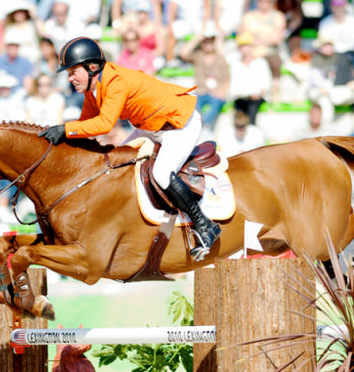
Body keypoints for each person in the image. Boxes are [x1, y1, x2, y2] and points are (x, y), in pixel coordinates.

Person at [39, 37, 220, 261]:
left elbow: (104, 125)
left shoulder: (115, 81)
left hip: (179, 125)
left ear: (92, 67)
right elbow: (84, 125)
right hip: (150, 128)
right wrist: (58, 140)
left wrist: (65, 129)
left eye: (73, 71)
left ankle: (205, 225)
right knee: (117, 164)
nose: (70, 78)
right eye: (68, 73)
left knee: (161, 173)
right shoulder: (91, 89)